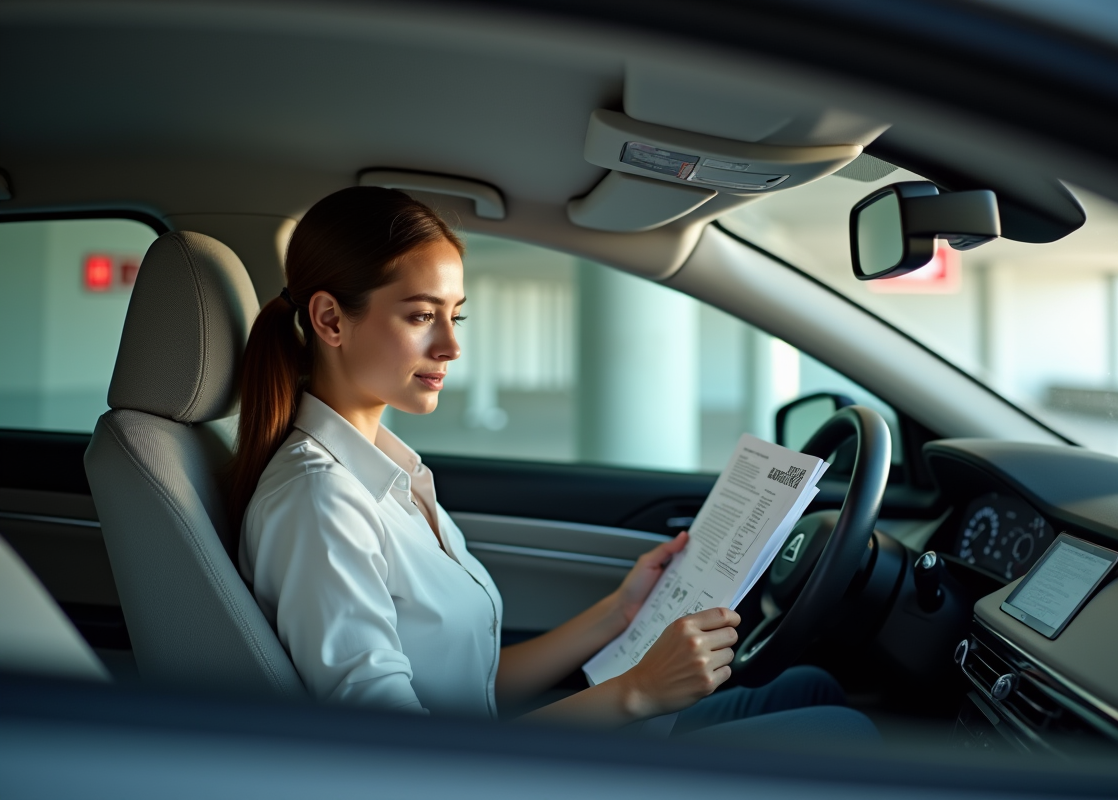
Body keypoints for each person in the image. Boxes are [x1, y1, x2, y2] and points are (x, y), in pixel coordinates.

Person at [230, 186, 876, 740]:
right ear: (330, 320)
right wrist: (637, 693)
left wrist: (619, 613)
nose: (452, 345)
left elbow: (477, 689)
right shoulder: (319, 504)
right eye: (422, 316)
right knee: (845, 732)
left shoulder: (388, 474)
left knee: (811, 687)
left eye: (455, 316)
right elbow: (399, 756)